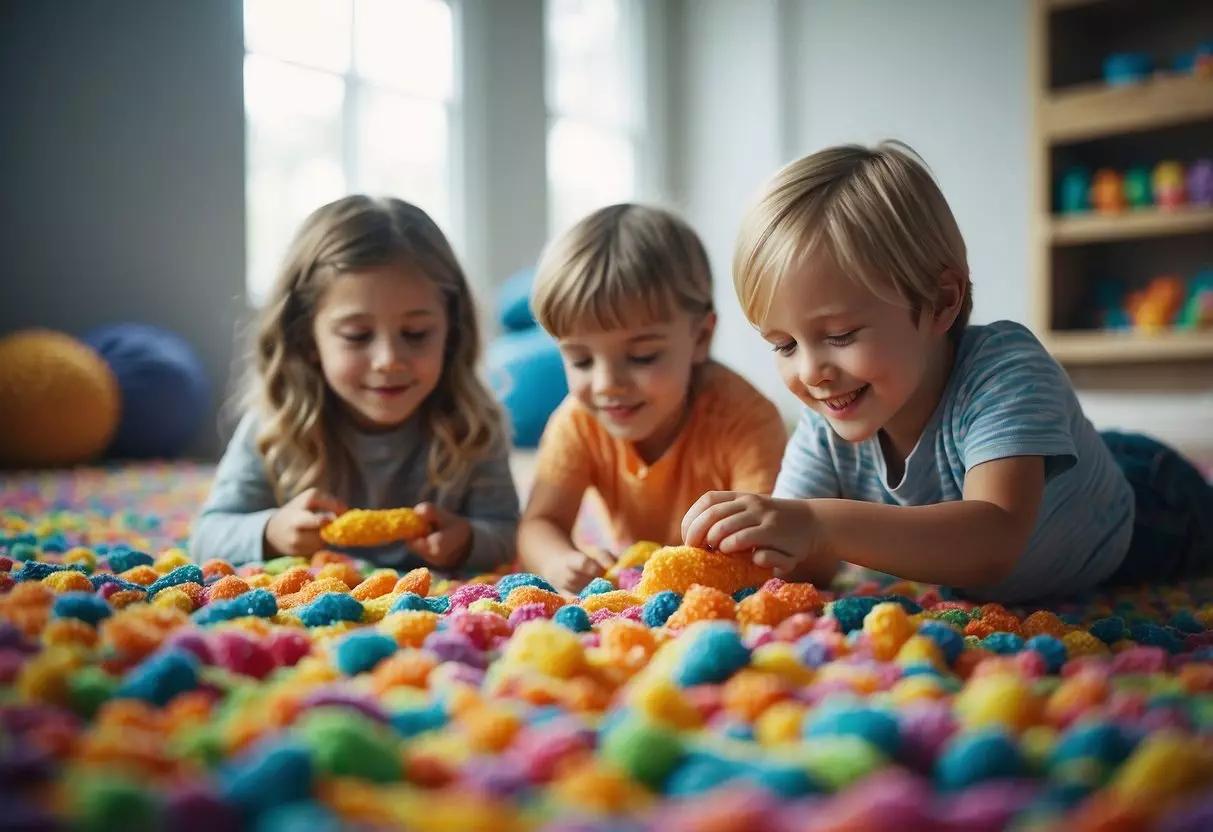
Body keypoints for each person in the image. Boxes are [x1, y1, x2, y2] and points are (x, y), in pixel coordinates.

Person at [682, 141, 1213, 603]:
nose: (812, 371)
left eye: (839, 336)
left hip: (1148, 513)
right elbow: (814, 563)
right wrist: (757, 537)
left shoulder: (1004, 370)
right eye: (783, 344)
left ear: (940, 303)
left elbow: (993, 543)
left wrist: (816, 522)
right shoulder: (827, 421)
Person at [190, 195, 519, 574]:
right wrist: (271, 531)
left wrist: (467, 540)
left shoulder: (473, 426)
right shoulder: (276, 425)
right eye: (357, 335)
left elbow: (506, 529)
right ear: (307, 339)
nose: (388, 359)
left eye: (415, 333)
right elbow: (208, 533)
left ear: (452, 330)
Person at [518, 203, 789, 593]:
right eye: (581, 359)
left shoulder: (745, 418)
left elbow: (778, 541)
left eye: (642, 356)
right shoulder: (577, 421)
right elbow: (539, 524)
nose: (607, 383)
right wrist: (559, 560)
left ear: (700, 338)